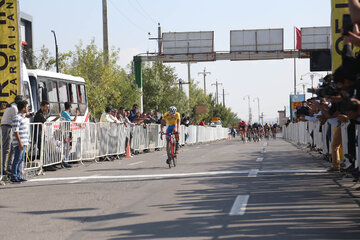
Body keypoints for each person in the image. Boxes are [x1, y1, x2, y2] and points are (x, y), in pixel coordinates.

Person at [1, 95, 27, 175]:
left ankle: (9, 167)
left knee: (12, 148)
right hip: (7, 127)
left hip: (9, 127)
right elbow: (19, 117)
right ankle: (3, 169)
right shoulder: (14, 108)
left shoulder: (13, 106)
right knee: (7, 149)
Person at [10, 100, 29, 183]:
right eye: (27, 107)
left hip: (24, 142)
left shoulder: (23, 117)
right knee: (17, 159)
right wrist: (20, 142)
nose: (28, 108)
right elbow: (15, 131)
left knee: (21, 160)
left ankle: (18, 176)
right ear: (23, 108)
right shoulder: (17, 118)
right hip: (19, 143)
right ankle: (14, 177)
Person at [60, 102, 79, 168]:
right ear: (69, 107)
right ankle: (65, 161)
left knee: (68, 147)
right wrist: (76, 114)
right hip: (65, 131)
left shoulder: (63, 113)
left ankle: (65, 161)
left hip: (67, 131)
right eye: (71, 107)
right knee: (66, 147)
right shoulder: (65, 113)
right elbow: (73, 120)